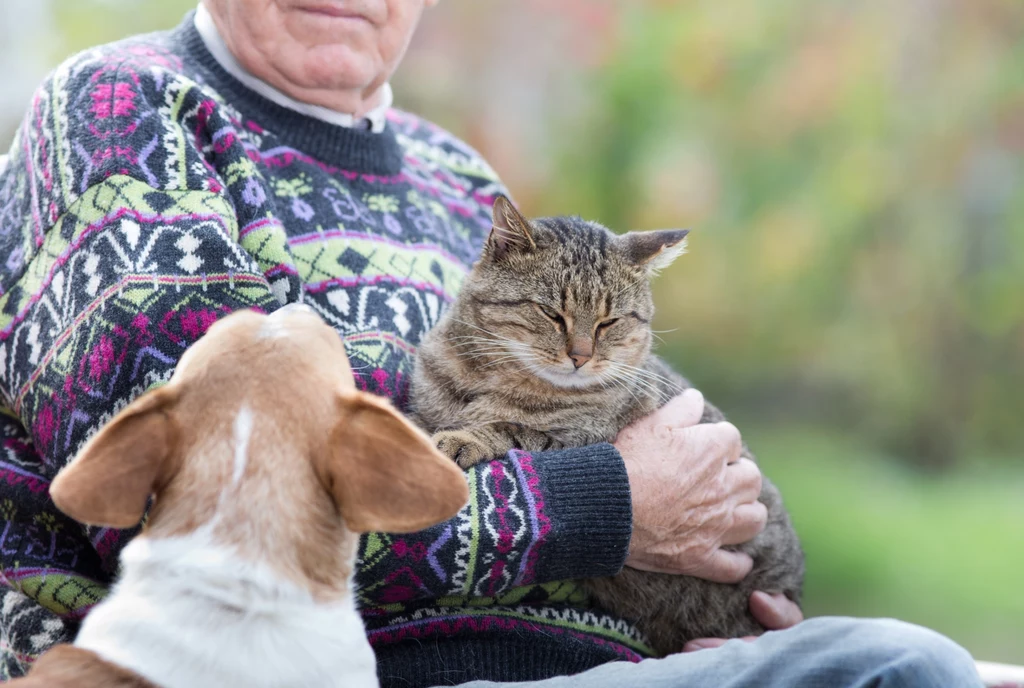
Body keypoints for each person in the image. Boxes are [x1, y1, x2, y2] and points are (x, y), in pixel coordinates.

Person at [0, 2, 982, 687]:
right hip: (337, 669)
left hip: (622, 658)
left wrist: (698, 613)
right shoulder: (129, 111)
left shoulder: (462, 183)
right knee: (901, 670)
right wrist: (612, 502)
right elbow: (202, 519)